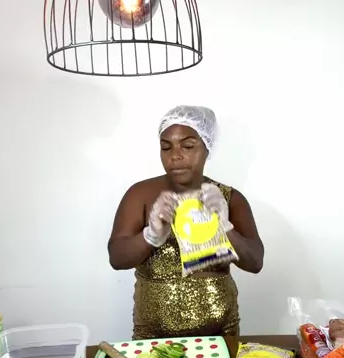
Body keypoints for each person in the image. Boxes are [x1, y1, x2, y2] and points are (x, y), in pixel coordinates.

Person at [108, 105, 264, 339]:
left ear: (207, 147)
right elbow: (117, 258)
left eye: (188, 146)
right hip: (153, 339)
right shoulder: (140, 195)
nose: (175, 156)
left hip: (221, 335)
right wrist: (150, 235)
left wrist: (225, 228)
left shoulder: (229, 198)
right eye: (166, 147)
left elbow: (255, 262)